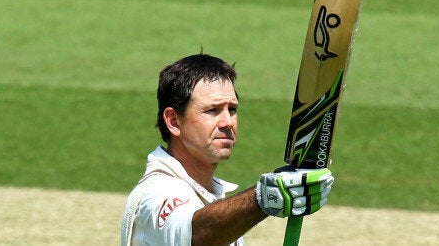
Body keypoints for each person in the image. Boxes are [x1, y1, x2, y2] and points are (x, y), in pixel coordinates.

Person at [121, 53, 334, 245]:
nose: (227, 122)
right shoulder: (158, 193)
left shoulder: (209, 195)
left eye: (232, 109)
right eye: (212, 110)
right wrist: (264, 197)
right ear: (174, 121)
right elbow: (196, 236)